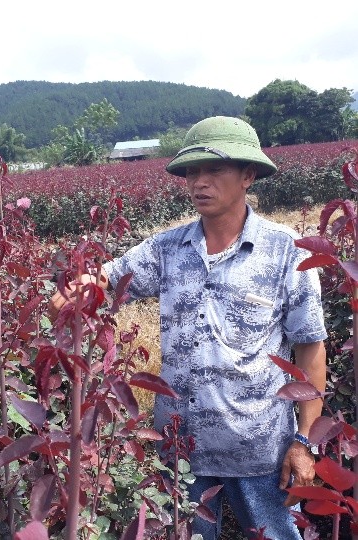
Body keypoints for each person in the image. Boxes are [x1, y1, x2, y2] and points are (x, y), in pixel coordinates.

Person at [50, 116, 327, 539]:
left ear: (248, 175)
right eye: (192, 171)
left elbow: (310, 348)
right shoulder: (165, 249)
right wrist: (78, 289)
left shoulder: (285, 251)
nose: (200, 182)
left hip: (259, 452)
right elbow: (108, 280)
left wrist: (304, 440)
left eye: (215, 169)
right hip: (181, 454)